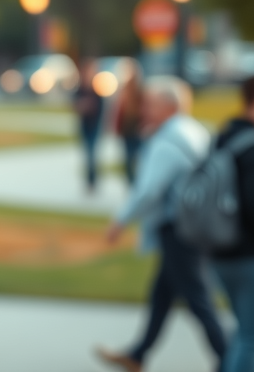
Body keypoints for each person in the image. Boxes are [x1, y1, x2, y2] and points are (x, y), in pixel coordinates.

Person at [97, 76, 226, 372]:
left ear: (171, 106)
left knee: (197, 298)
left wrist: (120, 221)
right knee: (163, 294)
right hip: (195, 225)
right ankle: (138, 354)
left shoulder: (167, 140)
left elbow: (148, 190)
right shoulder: (194, 131)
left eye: (150, 104)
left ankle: (229, 356)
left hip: (178, 227)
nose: (143, 110)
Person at [210, 73, 254, 372]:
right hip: (248, 256)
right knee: (252, 340)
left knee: (244, 332)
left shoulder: (225, 136)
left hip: (222, 250)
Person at [74, 58, 104, 194]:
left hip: (94, 125)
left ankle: (93, 181)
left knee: (92, 154)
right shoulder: (80, 89)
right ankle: (89, 181)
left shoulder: (97, 89)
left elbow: (101, 108)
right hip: (84, 125)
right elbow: (74, 104)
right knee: (87, 154)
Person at [117, 67, 144, 185]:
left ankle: (135, 181)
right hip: (127, 131)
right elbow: (120, 113)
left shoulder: (140, 93)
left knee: (137, 158)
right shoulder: (126, 92)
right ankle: (132, 182)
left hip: (137, 131)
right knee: (129, 158)